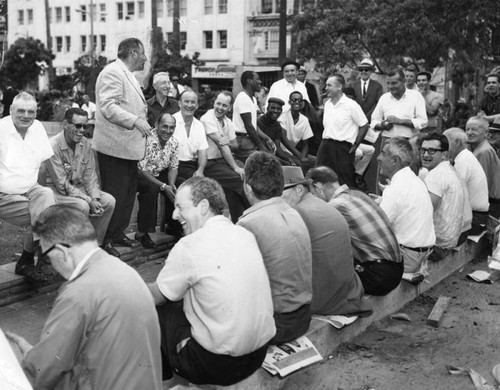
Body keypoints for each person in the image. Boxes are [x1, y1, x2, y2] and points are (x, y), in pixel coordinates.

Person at [6, 206, 162, 389]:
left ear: (62, 253)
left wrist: (24, 360)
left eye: (46, 258)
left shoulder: (78, 292)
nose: (51, 267)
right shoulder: (125, 270)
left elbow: (43, 373)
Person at [148, 177, 275, 385]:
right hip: (258, 356)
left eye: (180, 207)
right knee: (192, 290)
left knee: (157, 308)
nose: (174, 214)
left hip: (216, 365)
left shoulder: (189, 245)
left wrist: (123, 284)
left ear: (203, 206)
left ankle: (163, 382)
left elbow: (155, 297)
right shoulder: (244, 234)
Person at [238, 152, 312, 344]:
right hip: (303, 318)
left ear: (247, 188)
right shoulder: (294, 213)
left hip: (276, 325)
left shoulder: (247, 224)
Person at [281, 166, 372, 316]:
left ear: (298, 189)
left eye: (281, 193)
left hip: (322, 300)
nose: (278, 199)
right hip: (348, 292)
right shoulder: (323, 205)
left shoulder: (297, 212)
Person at [92, 37, 152, 249]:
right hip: (114, 148)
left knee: (126, 195)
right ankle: (105, 239)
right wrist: (135, 121)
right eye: (143, 53)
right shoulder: (112, 72)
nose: (145, 58)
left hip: (126, 148)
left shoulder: (127, 75)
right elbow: (108, 106)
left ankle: (116, 233)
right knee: (114, 194)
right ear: (133, 53)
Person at [307, 166, 402, 295]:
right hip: (397, 269)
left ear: (317, 187)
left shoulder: (337, 205)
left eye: (311, 193)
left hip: (378, 277)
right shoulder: (358, 194)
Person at [42, 108, 118, 257]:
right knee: (82, 205)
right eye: (77, 126)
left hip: (78, 189)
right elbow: (62, 183)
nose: (82, 130)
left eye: (85, 126)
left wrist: (95, 198)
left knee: (108, 201)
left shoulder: (85, 144)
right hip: (56, 192)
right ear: (65, 124)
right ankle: (73, 251)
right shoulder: (53, 146)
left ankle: (93, 247)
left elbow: (90, 176)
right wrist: (89, 200)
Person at [0, 92, 56, 283]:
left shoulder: (38, 127)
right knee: (45, 214)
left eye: (30, 111)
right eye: (21, 111)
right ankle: (34, 256)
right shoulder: (1, 130)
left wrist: (39, 194)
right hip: (4, 194)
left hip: (30, 188)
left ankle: (35, 256)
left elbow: (42, 165)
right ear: (10, 110)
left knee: (47, 194)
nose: (26, 115)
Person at [377, 137, 435, 282]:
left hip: (408, 258)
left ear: (395, 160)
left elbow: (379, 229)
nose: (378, 158)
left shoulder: (395, 189)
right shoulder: (415, 181)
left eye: (383, 154)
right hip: (422, 254)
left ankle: (402, 273)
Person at [419, 133, 472, 259]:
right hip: (449, 241)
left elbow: (424, 212)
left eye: (432, 151)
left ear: (443, 154)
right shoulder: (448, 169)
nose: (425, 155)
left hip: (438, 247)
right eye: (423, 150)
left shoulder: (436, 175)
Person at [200, 91, 249, 222]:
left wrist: (224, 139)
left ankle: (239, 221)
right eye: (218, 103)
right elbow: (222, 145)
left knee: (234, 190)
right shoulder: (207, 118)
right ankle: (252, 215)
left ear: (230, 107)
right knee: (239, 179)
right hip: (208, 163)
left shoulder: (228, 121)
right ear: (214, 102)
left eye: (224, 105)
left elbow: (235, 144)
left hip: (221, 162)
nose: (220, 108)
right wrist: (235, 167)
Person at [316, 74, 369, 188]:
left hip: (343, 148)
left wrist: (356, 145)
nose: (326, 88)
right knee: (319, 177)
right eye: (326, 85)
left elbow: (364, 125)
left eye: (329, 85)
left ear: (339, 87)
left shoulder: (351, 105)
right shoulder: (327, 104)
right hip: (325, 146)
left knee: (344, 181)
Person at [136, 113, 180, 244]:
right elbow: (142, 169)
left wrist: (171, 184)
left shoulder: (174, 142)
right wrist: (163, 186)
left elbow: (173, 166)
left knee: (179, 187)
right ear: (156, 125)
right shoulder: (146, 139)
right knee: (152, 189)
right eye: (164, 126)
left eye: (171, 127)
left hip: (159, 172)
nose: (168, 130)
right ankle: (142, 233)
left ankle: (175, 226)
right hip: (139, 174)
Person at [444, 127, 489, 234]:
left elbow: (452, 192)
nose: (443, 147)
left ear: (457, 142)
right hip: (475, 216)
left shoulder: (463, 160)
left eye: (445, 143)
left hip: (475, 219)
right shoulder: (464, 157)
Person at [372, 68, 428, 139]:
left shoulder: (416, 96)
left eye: (394, 83)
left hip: (409, 142)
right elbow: (374, 120)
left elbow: (423, 122)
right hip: (387, 141)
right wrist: (382, 126)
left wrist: (401, 121)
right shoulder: (384, 98)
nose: (390, 87)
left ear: (403, 81)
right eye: (388, 83)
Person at [233, 71, 273, 160]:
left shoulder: (253, 99)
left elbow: (254, 126)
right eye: (257, 79)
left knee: (271, 157)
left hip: (249, 140)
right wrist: (261, 146)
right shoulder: (243, 98)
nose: (260, 82)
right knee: (267, 160)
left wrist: (267, 139)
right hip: (242, 141)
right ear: (249, 81)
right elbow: (249, 126)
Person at [258, 97, 309, 168]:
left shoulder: (277, 125)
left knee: (297, 163)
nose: (275, 111)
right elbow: (263, 148)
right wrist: (283, 161)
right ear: (267, 109)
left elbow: (277, 147)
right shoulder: (260, 122)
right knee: (283, 164)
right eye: (273, 108)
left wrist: (288, 159)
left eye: (278, 109)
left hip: (273, 154)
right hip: (261, 154)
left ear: (281, 111)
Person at [466, 116, 500, 218]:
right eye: (467, 129)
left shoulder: (484, 151)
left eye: (474, 129)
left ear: (485, 133)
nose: (469, 132)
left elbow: (480, 186)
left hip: (489, 205)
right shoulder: (479, 148)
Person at [278, 91, 315, 159]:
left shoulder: (304, 120)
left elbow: (305, 145)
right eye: (294, 100)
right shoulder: (282, 117)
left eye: (299, 100)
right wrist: (300, 157)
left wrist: (303, 158)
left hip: (294, 153)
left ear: (302, 103)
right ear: (289, 102)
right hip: (280, 152)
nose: (297, 102)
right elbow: (283, 139)